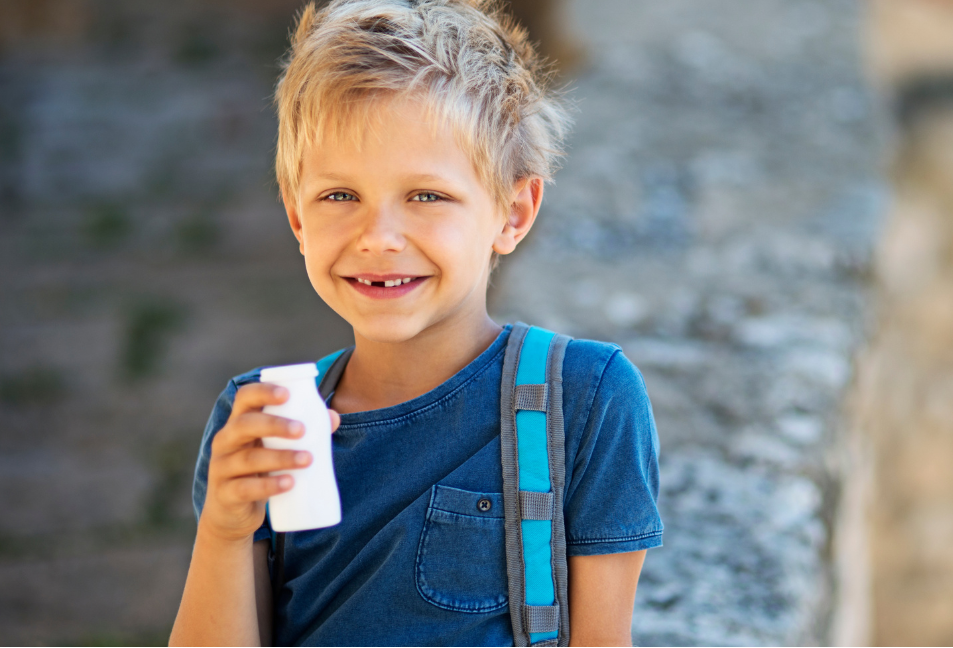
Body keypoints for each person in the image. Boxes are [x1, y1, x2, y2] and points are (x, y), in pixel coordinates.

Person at [167, 1, 663, 645]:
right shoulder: (261, 421)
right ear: (296, 218)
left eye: (426, 196)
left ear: (513, 212)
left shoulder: (586, 399)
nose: (378, 237)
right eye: (339, 196)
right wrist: (224, 530)